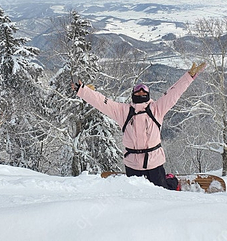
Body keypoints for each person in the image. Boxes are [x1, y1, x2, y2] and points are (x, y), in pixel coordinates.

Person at [71, 62, 206, 190]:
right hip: (133, 163)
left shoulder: (156, 108)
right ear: (133, 95)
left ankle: (171, 181)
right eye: (138, 92)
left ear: (148, 95)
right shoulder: (123, 111)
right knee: (135, 196)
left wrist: (189, 76)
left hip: (154, 161)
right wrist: (83, 91)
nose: (140, 93)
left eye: (144, 92)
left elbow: (173, 93)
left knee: (162, 191)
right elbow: (102, 103)